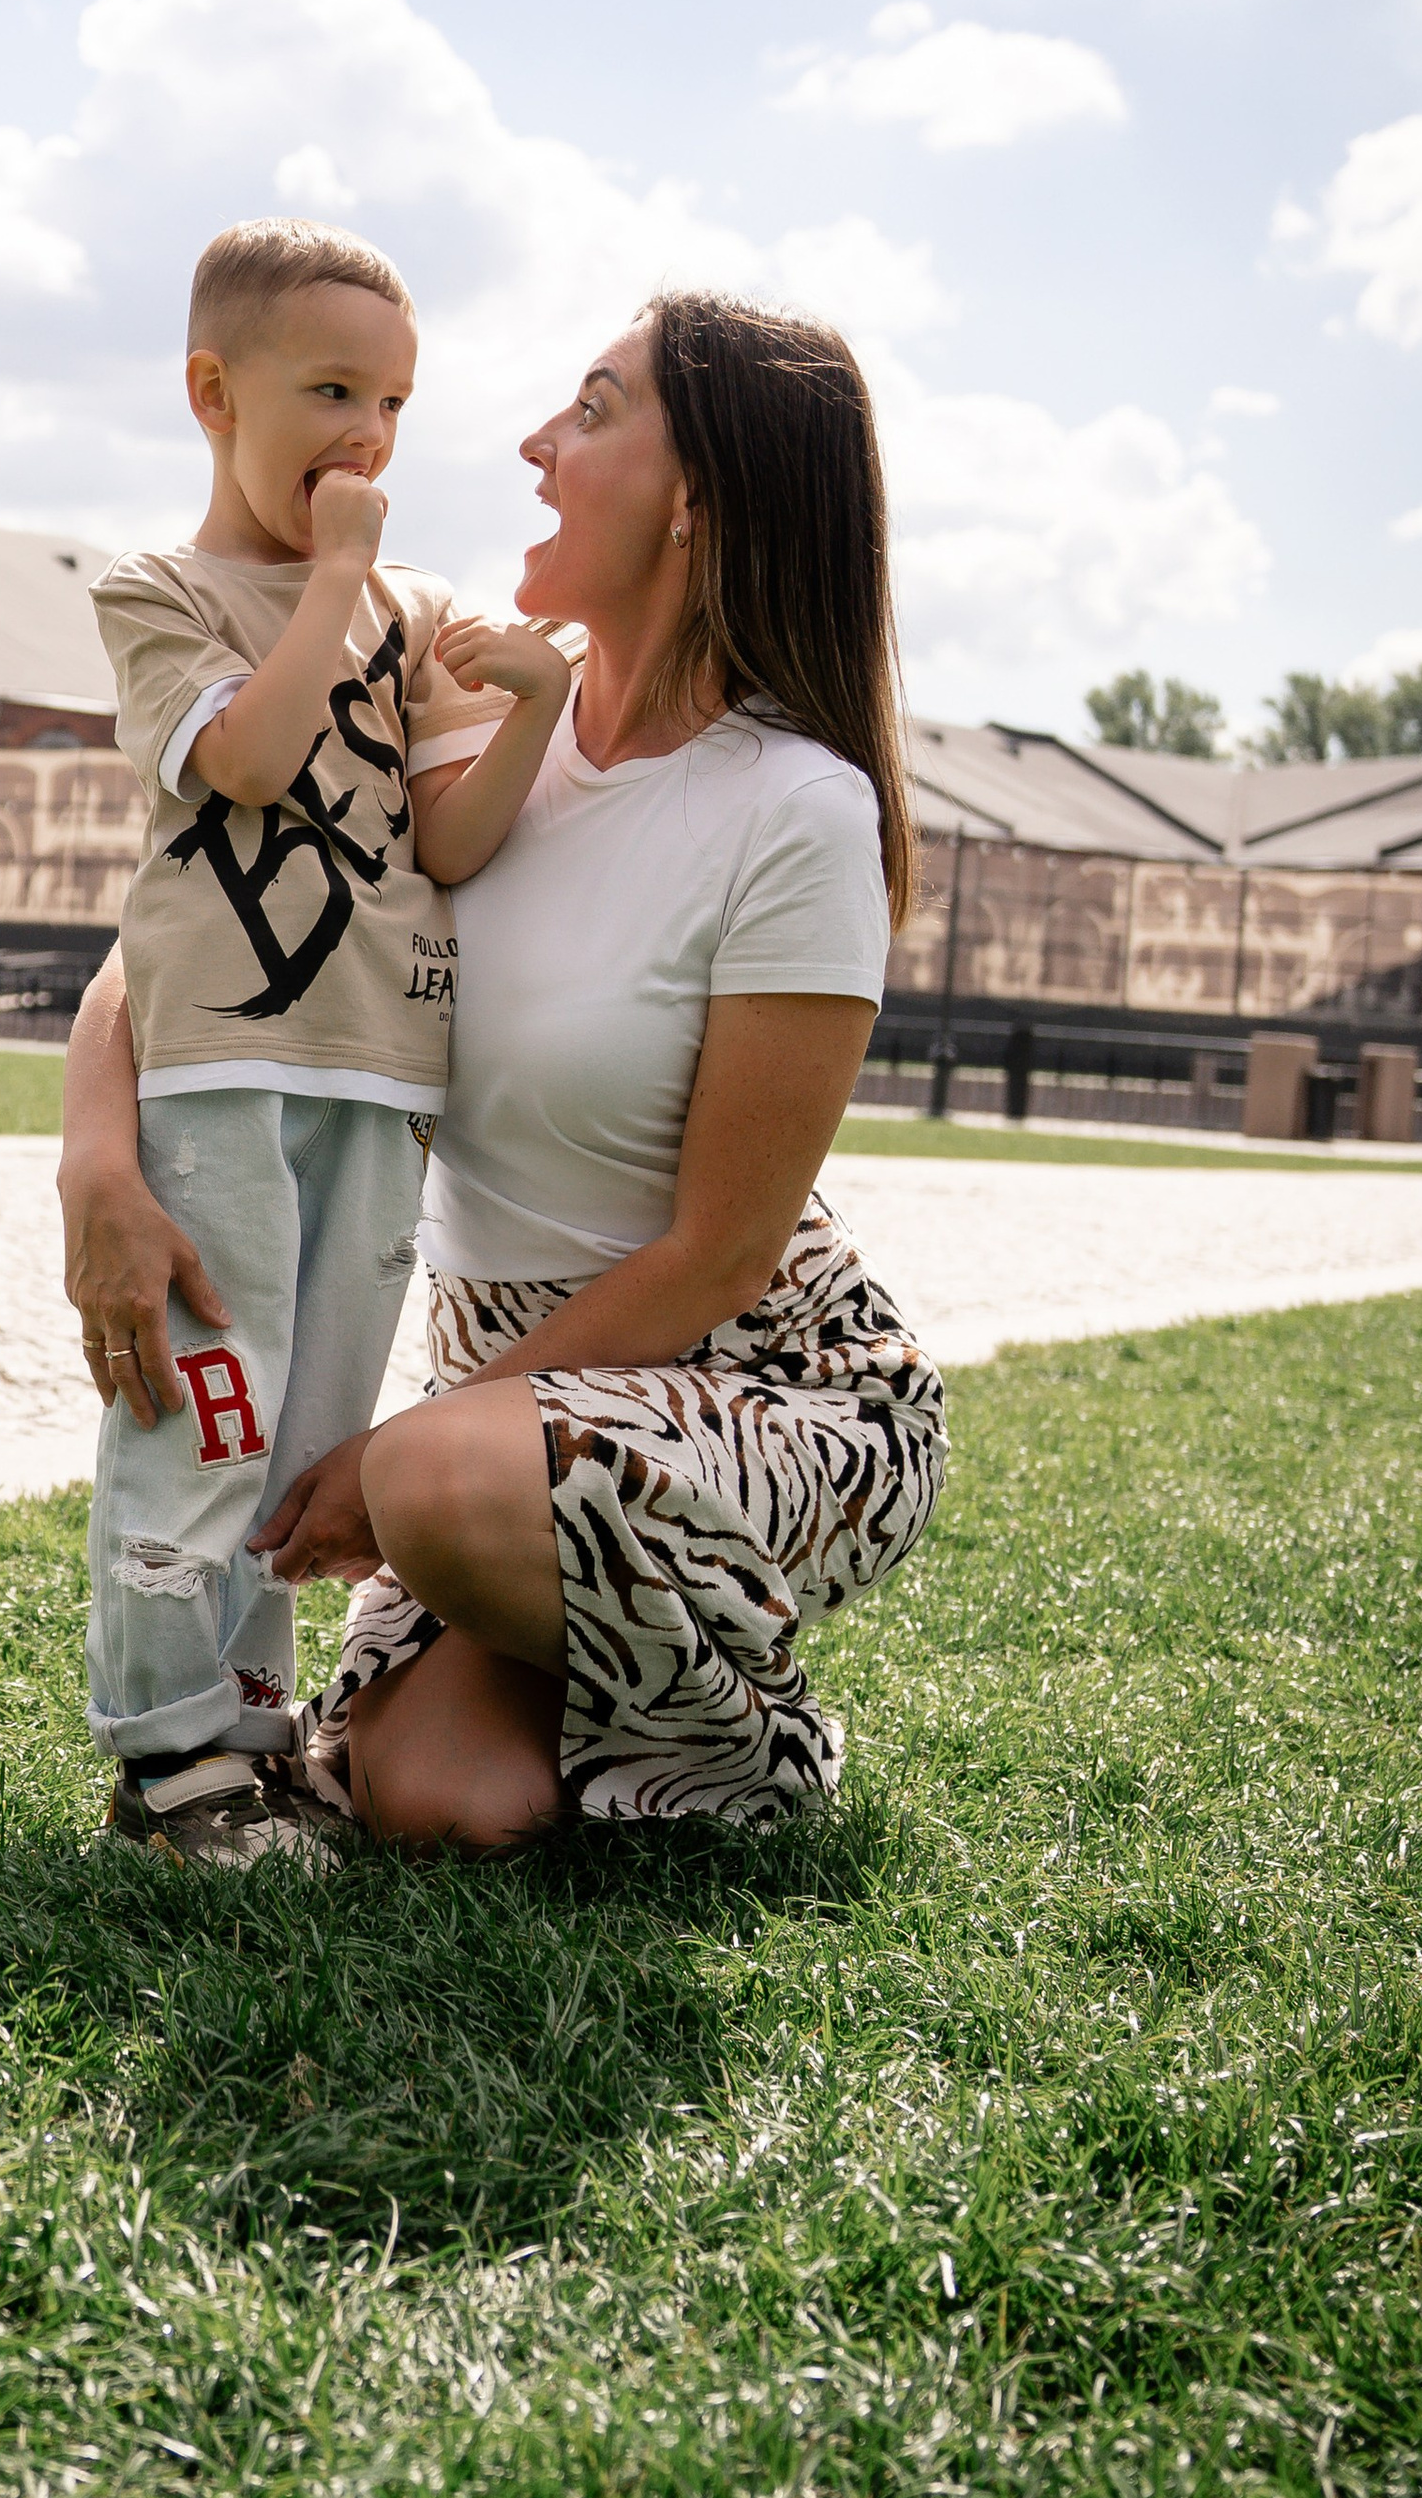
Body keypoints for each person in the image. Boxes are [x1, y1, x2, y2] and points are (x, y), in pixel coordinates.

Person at [62, 285, 946, 1853]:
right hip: (510, 1404)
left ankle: (756, 1736)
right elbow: (204, 918)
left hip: (760, 1373)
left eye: (594, 412)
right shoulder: (484, 731)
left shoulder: (796, 811)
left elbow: (718, 1253)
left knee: (458, 1483)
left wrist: (399, 1455)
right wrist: (98, 1156)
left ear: (698, 499)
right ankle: (553, 1622)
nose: (532, 444)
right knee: (442, 1803)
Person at [81, 216, 571, 1862]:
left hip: (382, 1078)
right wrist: (342, 578)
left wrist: (533, 716)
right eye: (332, 390)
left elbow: (447, 842)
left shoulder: (421, 610)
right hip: (226, 1066)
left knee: (306, 1440)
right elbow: (250, 760)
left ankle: (249, 1725)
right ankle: (163, 1756)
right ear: (216, 393)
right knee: (209, 1407)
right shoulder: (160, 595)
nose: (369, 436)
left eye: (397, 404)